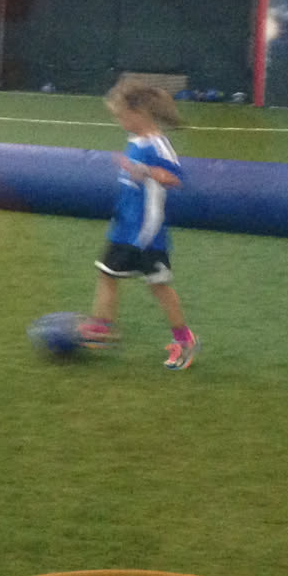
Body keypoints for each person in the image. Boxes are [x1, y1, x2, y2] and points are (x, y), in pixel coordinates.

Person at [79, 78, 198, 371]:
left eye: (121, 116)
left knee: (159, 286)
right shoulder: (135, 141)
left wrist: (144, 170)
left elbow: (176, 179)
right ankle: (103, 327)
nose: (119, 122)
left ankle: (184, 340)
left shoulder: (158, 145)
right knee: (106, 273)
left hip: (147, 233)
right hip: (124, 227)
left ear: (139, 113)